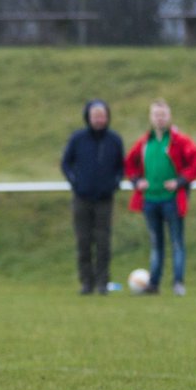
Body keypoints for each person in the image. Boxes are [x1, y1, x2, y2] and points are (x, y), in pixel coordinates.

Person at [124, 99, 196, 296]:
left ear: (169, 117)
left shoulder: (179, 141)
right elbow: (129, 164)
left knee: (177, 242)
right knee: (156, 244)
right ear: (151, 118)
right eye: (156, 115)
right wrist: (136, 181)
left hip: (171, 200)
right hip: (150, 200)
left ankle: (178, 282)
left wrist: (180, 181)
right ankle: (153, 284)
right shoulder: (145, 142)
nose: (160, 119)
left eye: (163, 115)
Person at [61, 99, 125, 295]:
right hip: (82, 198)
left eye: (102, 115)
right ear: (88, 117)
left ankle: (102, 283)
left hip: (105, 199)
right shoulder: (78, 139)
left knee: (103, 242)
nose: (99, 119)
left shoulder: (114, 140)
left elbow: (121, 167)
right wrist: (76, 183)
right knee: (84, 241)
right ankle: (86, 282)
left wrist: (113, 184)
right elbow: (66, 163)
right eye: (95, 115)